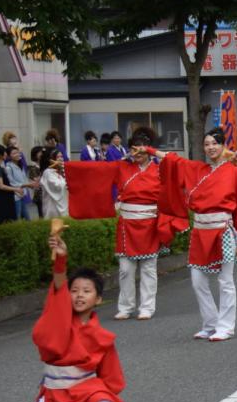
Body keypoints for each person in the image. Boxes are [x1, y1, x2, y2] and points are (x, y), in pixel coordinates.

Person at [66, 127, 189, 321]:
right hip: (127, 223)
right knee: (125, 269)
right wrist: (66, 168)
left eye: (142, 149)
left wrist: (151, 152)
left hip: (149, 223)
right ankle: (126, 306)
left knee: (148, 268)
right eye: (134, 149)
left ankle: (147, 307)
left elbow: (176, 163)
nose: (137, 153)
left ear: (148, 150)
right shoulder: (121, 167)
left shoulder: (159, 169)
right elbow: (96, 171)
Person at [12, 235, 124, 402]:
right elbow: (58, 287)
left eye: (87, 291)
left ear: (98, 299)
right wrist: (60, 260)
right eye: (74, 291)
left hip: (87, 392)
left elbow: (111, 376)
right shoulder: (58, 320)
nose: (79, 296)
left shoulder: (102, 337)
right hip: (55, 395)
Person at [152, 127, 237, 341]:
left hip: (223, 230)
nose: (210, 148)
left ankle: (226, 326)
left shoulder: (234, 172)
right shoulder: (197, 169)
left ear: (223, 145)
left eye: (214, 143)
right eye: (207, 144)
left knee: (225, 280)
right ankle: (210, 323)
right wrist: (150, 150)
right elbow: (172, 160)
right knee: (197, 280)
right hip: (200, 230)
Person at [0, 145, 22, 224]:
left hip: (3, 199)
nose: (6, 154)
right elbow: (1, 186)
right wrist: (16, 189)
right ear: (1, 155)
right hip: (2, 201)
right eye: (5, 152)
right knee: (6, 222)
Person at [3, 144, 39, 220]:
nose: (17, 154)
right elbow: (12, 183)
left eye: (17, 152)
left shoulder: (21, 166)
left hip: (22, 195)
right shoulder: (8, 168)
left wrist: (30, 185)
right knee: (18, 217)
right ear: (9, 156)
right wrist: (28, 184)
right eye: (14, 153)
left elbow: (24, 179)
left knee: (27, 217)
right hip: (15, 196)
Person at [38, 147, 68, 218]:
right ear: (51, 159)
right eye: (58, 157)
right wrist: (68, 182)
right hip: (52, 205)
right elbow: (57, 186)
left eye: (61, 156)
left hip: (63, 203)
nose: (61, 159)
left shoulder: (60, 171)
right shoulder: (48, 173)